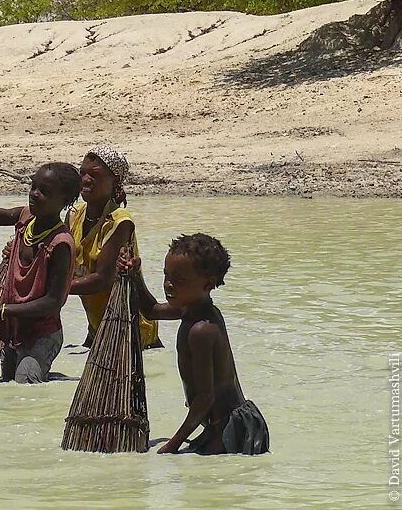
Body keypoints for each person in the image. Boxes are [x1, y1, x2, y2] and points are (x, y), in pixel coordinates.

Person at [126, 233, 270, 455]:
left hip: (231, 427)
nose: (169, 285)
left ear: (208, 283)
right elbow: (151, 310)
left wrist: (173, 443)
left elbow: (205, 398)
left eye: (179, 280)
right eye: (166, 276)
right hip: (221, 423)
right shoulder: (191, 309)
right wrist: (135, 275)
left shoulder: (201, 330)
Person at [0, 157, 80, 383]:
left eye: (44, 191)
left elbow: (53, 302)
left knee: (25, 387)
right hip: (14, 331)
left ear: (65, 201)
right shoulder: (25, 218)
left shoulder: (60, 243)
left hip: (42, 334)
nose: (34, 194)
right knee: (9, 389)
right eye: (33, 186)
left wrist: (2, 309)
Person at [67, 145, 160, 349]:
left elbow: (102, 279)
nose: (85, 180)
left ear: (115, 180)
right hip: (97, 327)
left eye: (94, 174)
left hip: (129, 328)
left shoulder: (119, 222)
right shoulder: (74, 216)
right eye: (82, 173)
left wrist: (53, 290)